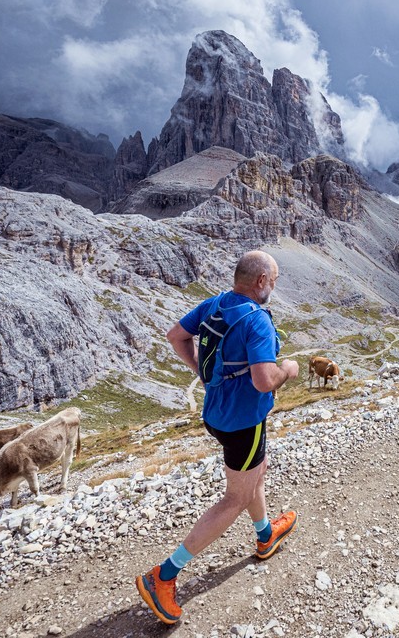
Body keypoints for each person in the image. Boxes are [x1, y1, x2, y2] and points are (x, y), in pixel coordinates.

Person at [136, 250, 300, 624]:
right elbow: (263, 381)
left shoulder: (215, 304)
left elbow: (176, 336)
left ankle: (264, 536)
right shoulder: (257, 321)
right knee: (236, 497)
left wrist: (204, 376)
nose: (275, 286)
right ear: (260, 281)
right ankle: (163, 576)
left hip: (216, 415)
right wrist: (287, 369)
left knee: (257, 471)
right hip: (243, 422)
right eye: (274, 279)